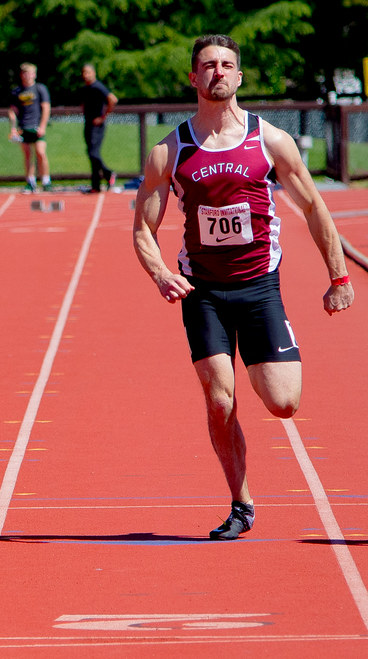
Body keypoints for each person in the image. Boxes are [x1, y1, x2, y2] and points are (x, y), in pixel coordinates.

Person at [132, 34, 354, 541]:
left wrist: (338, 275)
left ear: (239, 76)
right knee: (219, 400)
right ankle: (241, 502)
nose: (218, 72)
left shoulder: (269, 140)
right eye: (207, 65)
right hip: (203, 292)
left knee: (282, 403)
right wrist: (161, 272)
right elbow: (143, 226)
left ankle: (262, 361)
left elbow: (315, 207)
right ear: (194, 77)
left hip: (258, 287)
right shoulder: (169, 151)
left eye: (227, 65)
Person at [8, 62, 51, 193]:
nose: (28, 76)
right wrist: (13, 128)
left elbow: (46, 108)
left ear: (35, 74)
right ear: (22, 75)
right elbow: (12, 111)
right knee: (27, 155)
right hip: (23, 127)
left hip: (37, 127)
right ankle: (30, 182)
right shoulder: (17, 91)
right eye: (25, 73)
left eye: (31, 73)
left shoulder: (40, 89)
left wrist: (42, 126)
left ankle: (46, 181)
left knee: (41, 153)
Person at [80, 63, 118, 193]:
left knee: (93, 153)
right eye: (84, 72)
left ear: (94, 73)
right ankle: (95, 185)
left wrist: (103, 116)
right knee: (91, 154)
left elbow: (112, 99)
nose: (86, 75)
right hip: (88, 124)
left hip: (97, 125)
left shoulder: (98, 86)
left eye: (88, 72)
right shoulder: (86, 88)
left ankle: (108, 174)